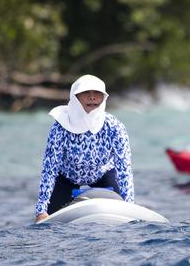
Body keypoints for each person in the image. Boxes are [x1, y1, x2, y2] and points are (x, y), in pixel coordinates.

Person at [34, 75, 134, 222]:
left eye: (97, 93)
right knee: (50, 224)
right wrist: (41, 210)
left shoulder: (115, 127)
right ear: (75, 97)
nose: (92, 97)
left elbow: (124, 169)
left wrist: (129, 206)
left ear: (104, 97)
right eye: (86, 92)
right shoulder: (59, 127)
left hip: (103, 175)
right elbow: (50, 169)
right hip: (66, 177)